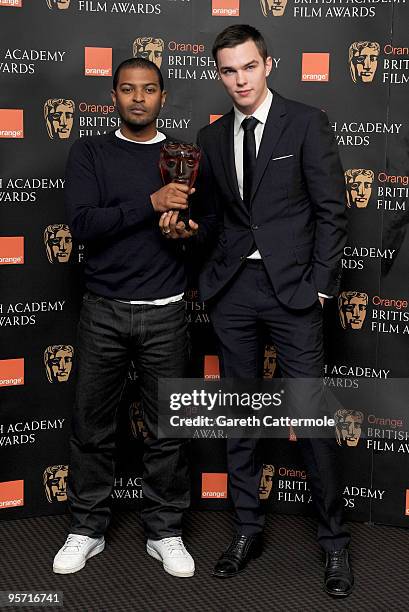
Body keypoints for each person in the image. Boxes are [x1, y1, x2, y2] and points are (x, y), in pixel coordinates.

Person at [161, 24, 353, 597]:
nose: (240, 80)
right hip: (234, 292)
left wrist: (321, 287)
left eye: (248, 66)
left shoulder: (306, 121)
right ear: (218, 74)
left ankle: (335, 544)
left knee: (312, 418)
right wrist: (189, 231)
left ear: (268, 64)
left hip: (295, 292)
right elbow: (218, 221)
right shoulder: (211, 138)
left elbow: (331, 210)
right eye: (228, 70)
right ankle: (246, 528)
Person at [52, 57, 195, 578]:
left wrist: (186, 233)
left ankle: (166, 532)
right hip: (104, 310)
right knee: (92, 427)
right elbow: (85, 224)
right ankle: (86, 528)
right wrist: (149, 202)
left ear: (163, 96)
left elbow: (204, 231)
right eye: (129, 90)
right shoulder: (89, 151)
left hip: (166, 311)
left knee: (169, 430)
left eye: (149, 89)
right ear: (113, 95)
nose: (139, 98)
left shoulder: (184, 157)